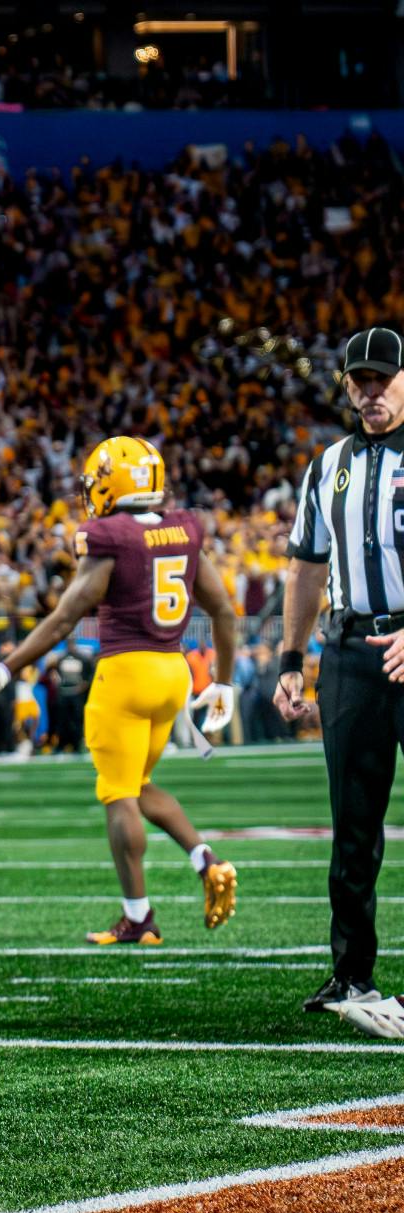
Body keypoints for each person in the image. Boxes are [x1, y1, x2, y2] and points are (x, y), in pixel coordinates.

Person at [0, 436, 240, 946]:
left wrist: (6, 667)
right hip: (173, 672)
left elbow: (65, 617)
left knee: (117, 794)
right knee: (136, 786)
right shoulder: (184, 529)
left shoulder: (110, 536)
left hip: (126, 675)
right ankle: (206, 858)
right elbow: (223, 610)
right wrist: (222, 681)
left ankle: (138, 916)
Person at [279, 327, 404, 1018]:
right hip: (352, 651)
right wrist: (292, 659)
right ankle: (352, 973)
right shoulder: (330, 464)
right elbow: (306, 564)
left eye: (383, 378)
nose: (370, 391)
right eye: (360, 380)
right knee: (353, 825)